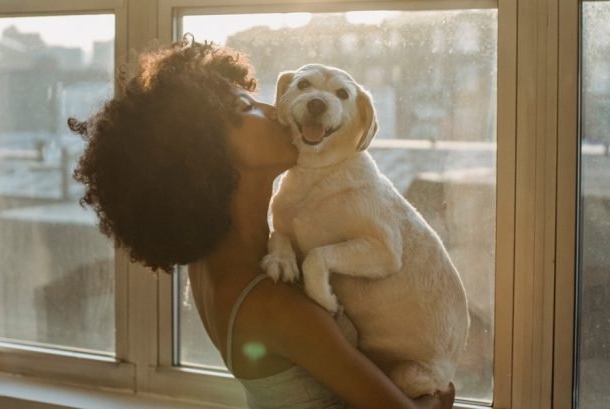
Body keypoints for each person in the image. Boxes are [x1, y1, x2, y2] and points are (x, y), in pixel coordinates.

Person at [70, 36, 455, 409]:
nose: (273, 110)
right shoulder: (275, 305)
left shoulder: (212, 265)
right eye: (245, 107)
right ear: (204, 152)